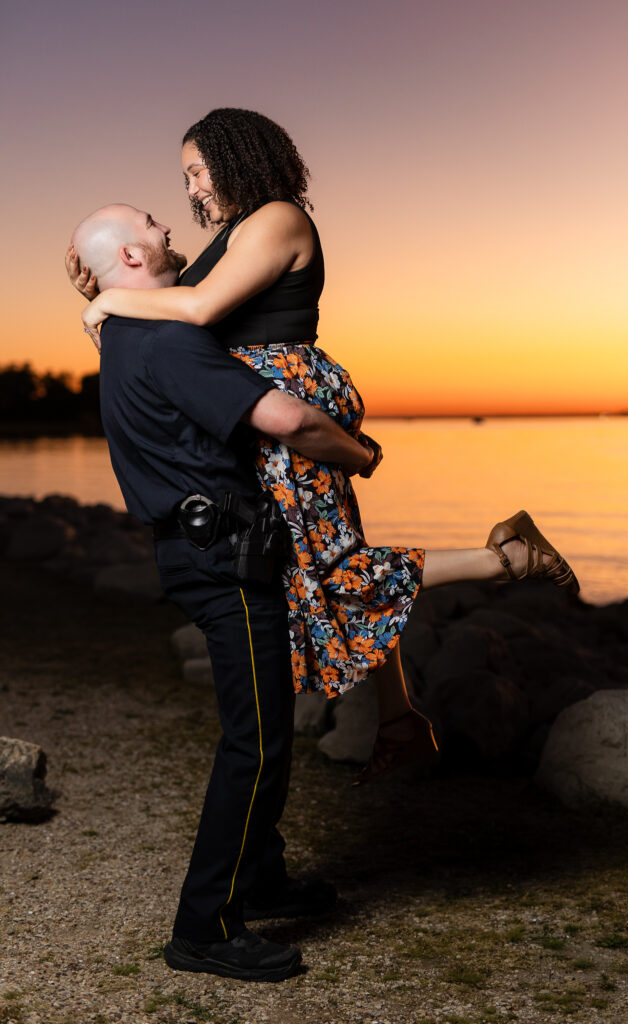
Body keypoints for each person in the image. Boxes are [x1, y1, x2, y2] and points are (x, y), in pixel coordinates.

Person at [67, 110, 579, 785]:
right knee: (316, 566)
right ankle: (400, 719)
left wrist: (107, 303)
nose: (190, 189)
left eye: (196, 171)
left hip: (287, 398)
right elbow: (170, 297)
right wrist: (104, 293)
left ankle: (508, 558)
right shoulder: (233, 231)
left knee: (329, 569)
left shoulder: (277, 218)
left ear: (234, 156)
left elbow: (192, 310)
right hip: (252, 400)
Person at [70, 203, 379, 982]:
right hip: (223, 563)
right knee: (257, 742)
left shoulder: (125, 333)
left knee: (258, 730)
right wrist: (361, 453)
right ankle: (202, 928)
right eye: (153, 223)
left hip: (203, 551)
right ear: (134, 259)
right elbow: (289, 418)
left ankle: (262, 879)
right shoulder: (169, 339)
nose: (171, 228)